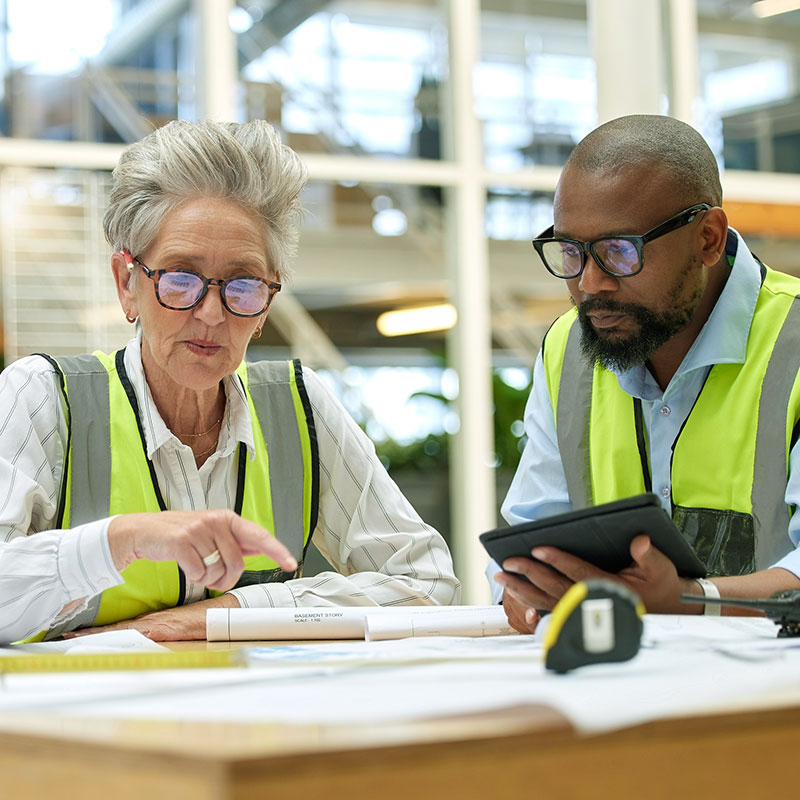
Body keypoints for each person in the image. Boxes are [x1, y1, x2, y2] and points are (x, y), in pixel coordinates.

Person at [0, 119, 460, 644]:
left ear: (266, 304)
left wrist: (232, 610)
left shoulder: (297, 407)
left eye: (243, 285)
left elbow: (427, 583)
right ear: (128, 285)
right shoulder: (42, 399)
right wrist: (119, 540)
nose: (213, 314)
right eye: (180, 279)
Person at [491, 114, 800, 633]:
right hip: (624, 690)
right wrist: (527, 595)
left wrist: (690, 599)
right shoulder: (569, 348)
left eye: (619, 251)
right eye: (571, 250)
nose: (591, 284)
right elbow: (531, 540)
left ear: (707, 238)